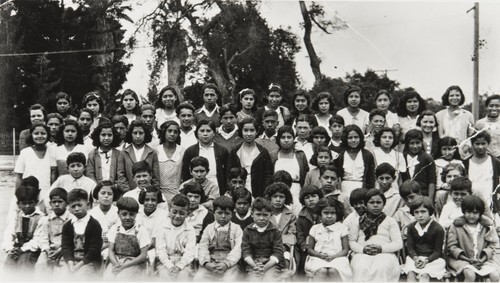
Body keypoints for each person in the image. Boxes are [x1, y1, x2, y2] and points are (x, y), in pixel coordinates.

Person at [348, 188, 403, 282]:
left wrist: (381, 248)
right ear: (365, 204)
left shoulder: (390, 221)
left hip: (385, 253)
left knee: (381, 267)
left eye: (379, 202)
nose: (375, 205)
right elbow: (352, 241)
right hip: (362, 253)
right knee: (361, 267)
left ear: (384, 204)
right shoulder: (357, 221)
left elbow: (398, 243)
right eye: (371, 202)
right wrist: (363, 249)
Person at [447, 195, 500, 282]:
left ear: (480, 213)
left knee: (495, 275)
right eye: (468, 212)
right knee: (470, 274)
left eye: (475, 213)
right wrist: (468, 259)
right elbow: (452, 247)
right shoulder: (456, 225)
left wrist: (481, 259)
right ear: (463, 211)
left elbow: (492, 245)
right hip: (461, 259)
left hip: (484, 259)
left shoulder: (487, 226)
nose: (471, 215)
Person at [194, 196, 243, 281]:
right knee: (199, 278)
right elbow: (203, 246)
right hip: (211, 261)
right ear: (214, 213)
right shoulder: (209, 228)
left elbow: (238, 248)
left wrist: (226, 263)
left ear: (232, 213)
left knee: (230, 279)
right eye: (220, 213)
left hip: (229, 263)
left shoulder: (236, 229)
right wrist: (206, 263)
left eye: (227, 213)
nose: (223, 216)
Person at [304, 196, 352, 281]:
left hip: (338, 258)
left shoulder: (342, 228)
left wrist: (334, 256)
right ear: (320, 214)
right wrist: (319, 255)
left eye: (333, 213)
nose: (329, 216)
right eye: (326, 213)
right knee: (322, 271)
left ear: (337, 214)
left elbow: (345, 250)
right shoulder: (315, 228)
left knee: (333, 271)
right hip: (318, 258)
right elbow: (310, 249)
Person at [104, 197, 150, 279]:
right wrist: (116, 264)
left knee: (122, 278)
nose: (128, 217)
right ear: (118, 214)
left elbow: (143, 255)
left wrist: (124, 266)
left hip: (134, 263)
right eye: (124, 214)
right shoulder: (115, 229)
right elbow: (111, 250)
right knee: (107, 277)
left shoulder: (141, 230)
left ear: (136, 214)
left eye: (132, 214)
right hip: (117, 260)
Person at [60, 189, 103, 277]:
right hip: (70, 260)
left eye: (79, 205)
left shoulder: (94, 225)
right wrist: (71, 264)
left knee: (81, 276)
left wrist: (78, 266)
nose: (76, 209)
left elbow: (94, 250)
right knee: (62, 275)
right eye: (73, 206)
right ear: (69, 208)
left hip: (88, 261)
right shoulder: (67, 226)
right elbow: (66, 247)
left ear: (87, 205)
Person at [403, 196, 446, 281]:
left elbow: (438, 251)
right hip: (415, 258)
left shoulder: (438, 228)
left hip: (432, 260)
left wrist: (426, 260)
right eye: (416, 212)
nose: (420, 215)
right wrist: (415, 258)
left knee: (425, 275)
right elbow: (410, 247)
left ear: (430, 212)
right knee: (411, 273)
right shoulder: (411, 227)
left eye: (423, 212)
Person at [241, 197, 285, 281]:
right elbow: (246, 251)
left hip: (271, 265)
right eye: (258, 214)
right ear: (252, 214)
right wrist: (255, 266)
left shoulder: (275, 231)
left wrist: (265, 268)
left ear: (271, 215)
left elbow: (278, 252)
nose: (261, 218)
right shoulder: (247, 230)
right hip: (253, 264)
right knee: (253, 279)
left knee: (269, 279)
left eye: (265, 215)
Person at [228, 118, 273, 198]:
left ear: (256, 132)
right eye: (245, 130)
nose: (249, 134)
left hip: (257, 190)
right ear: (241, 131)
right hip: (239, 188)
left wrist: (265, 194)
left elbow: (268, 175)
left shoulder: (262, 152)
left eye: (252, 130)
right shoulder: (235, 151)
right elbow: (229, 174)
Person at [2, 183, 44, 270]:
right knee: (9, 264)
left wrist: (22, 249)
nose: (27, 206)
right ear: (18, 204)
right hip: (17, 248)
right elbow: (9, 233)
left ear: (36, 202)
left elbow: (38, 239)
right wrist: (10, 248)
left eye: (30, 203)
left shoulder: (41, 218)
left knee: (24, 263)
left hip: (32, 249)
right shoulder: (16, 216)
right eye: (24, 203)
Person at [156, 194, 196, 281]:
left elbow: (190, 252)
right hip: (165, 262)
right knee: (164, 275)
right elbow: (160, 250)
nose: (177, 216)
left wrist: (179, 266)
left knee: (183, 276)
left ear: (187, 214)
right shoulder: (162, 227)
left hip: (183, 262)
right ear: (169, 210)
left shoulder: (190, 230)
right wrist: (170, 266)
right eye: (174, 212)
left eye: (182, 213)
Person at [181, 120, 229, 194]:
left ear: (214, 133)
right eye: (202, 131)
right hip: (195, 188)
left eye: (208, 131)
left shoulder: (222, 151)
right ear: (197, 133)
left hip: (217, 187)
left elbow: (226, 173)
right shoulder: (190, 151)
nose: (205, 134)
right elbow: (186, 173)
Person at [14, 122, 57, 203]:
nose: (40, 136)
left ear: (48, 135)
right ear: (31, 135)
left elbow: (53, 175)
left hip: (46, 193)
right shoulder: (25, 153)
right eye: (36, 133)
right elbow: (19, 177)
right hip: (28, 194)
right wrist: (17, 197)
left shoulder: (52, 150)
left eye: (43, 133)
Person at [34, 187, 71, 274]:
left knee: (63, 270)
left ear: (67, 203)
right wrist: (47, 250)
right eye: (54, 202)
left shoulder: (70, 219)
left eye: (60, 202)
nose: (57, 204)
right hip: (49, 251)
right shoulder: (46, 220)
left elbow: (70, 240)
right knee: (40, 266)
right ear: (50, 204)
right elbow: (43, 238)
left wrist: (60, 251)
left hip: (65, 250)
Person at [116, 119, 160, 193]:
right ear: (130, 134)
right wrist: (130, 193)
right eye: (135, 133)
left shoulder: (152, 153)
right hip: (129, 193)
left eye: (141, 133)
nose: (138, 136)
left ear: (145, 134)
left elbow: (155, 178)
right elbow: (121, 176)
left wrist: (151, 192)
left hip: (148, 194)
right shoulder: (124, 153)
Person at [334, 124, 376, 195]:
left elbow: (371, 178)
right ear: (345, 139)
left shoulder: (367, 155)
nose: (353, 140)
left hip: (363, 190)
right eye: (350, 138)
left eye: (356, 137)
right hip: (344, 190)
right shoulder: (340, 156)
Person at [273, 125, 309, 206]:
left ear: (293, 139)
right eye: (283, 137)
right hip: (277, 194)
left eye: (289, 137)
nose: (286, 140)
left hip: (296, 192)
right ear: (278, 139)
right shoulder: (273, 155)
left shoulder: (300, 155)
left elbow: (305, 177)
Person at [462, 131, 500, 208]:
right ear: (472, 144)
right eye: (477, 144)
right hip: (471, 201)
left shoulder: (495, 162)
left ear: (488, 144)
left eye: (483, 143)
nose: (480, 147)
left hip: (489, 200)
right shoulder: (466, 162)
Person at [265, 183, 297, 267]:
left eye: (281, 197)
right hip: (266, 248)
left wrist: (283, 247)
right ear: (270, 198)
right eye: (275, 196)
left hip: (284, 249)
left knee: (286, 259)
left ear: (286, 198)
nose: (278, 200)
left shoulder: (291, 215)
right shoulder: (264, 214)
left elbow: (291, 236)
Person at [402, 129, 437, 201]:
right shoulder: (402, 157)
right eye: (412, 143)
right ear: (407, 144)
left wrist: (429, 199)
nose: (415, 146)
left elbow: (432, 181)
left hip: (422, 196)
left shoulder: (427, 158)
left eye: (417, 143)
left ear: (422, 142)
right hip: (406, 197)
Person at [296, 185, 324, 274]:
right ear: (303, 201)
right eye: (307, 198)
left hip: (323, 246)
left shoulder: (324, 213)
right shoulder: (301, 217)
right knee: (303, 261)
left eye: (314, 196)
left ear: (320, 197)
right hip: (307, 248)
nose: (311, 199)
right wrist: (305, 247)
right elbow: (300, 235)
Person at [136, 186, 168, 262]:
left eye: (153, 200)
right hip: (138, 249)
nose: (150, 203)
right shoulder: (137, 214)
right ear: (142, 200)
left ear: (158, 201)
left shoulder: (164, 215)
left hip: (156, 249)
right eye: (146, 200)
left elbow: (156, 240)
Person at [89, 181, 119, 260]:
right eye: (103, 193)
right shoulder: (91, 214)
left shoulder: (118, 213)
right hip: (95, 246)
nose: (106, 196)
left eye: (109, 194)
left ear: (113, 196)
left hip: (114, 247)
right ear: (97, 195)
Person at [156, 120, 185, 203]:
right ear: (164, 132)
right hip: (159, 193)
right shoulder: (156, 150)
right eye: (169, 131)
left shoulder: (182, 151)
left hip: (177, 192)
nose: (172, 134)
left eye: (175, 132)